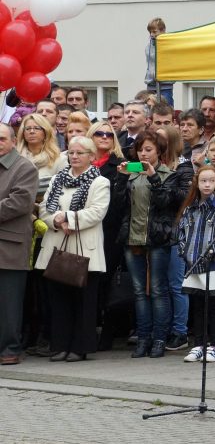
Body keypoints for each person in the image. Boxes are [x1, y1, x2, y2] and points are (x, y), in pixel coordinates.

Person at [36, 135, 110, 362]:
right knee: (58, 300)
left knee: (84, 301)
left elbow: (97, 211)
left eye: (80, 153)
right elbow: (44, 209)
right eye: (71, 153)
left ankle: (80, 346)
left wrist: (69, 217)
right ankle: (59, 345)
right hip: (57, 244)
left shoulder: (100, 182)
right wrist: (57, 221)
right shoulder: (58, 178)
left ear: (91, 156)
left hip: (84, 248)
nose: (75, 156)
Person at [119, 131, 190, 359]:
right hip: (133, 237)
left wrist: (153, 178)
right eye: (140, 150)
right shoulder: (132, 174)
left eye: (148, 149)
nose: (143, 154)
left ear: (159, 151)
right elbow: (119, 203)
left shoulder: (169, 175)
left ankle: (160, 338)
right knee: (140, 291)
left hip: (158, 238)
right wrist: (121, 177)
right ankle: (143, 338)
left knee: (159, 290)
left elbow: (166, 203)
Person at [176, 166, 215, 364]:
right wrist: (184, 251)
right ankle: (198, 344)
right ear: (197, 182)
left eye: (211, 181)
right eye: (203, 180)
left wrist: (213, 252)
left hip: (214, 265)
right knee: (198, 305)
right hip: (193, 264)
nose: (207, 184)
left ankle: (213, 345)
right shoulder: (190, 209)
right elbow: (181, 233)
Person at [0, 123, 40, 365]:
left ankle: (10, 349)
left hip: (9, 246)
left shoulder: (24, 167)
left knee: (9, 304)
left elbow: (21, 203)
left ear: (14, 141)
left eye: (2, 139)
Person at [87, 120, 128, 350]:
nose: (104, 137)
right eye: (99, 134)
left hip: (110, 231)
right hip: (84, 231)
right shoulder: (81, 162)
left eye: (109, 134)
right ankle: (88, 328)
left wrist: (123, 176)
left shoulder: (122, 164)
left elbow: (142, 169)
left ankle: (109, 333)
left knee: (108, 283)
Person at [154, 124, 194, 351]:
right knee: (159, 286)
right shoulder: (154, 166)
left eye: (160, 139)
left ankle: (180, 331)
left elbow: (183, 198)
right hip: (158, 232)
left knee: (177, 285)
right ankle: (163, 329)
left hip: (178, 233)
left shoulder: (184, 167)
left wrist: (157, 182)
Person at [16, 113, 62, 198]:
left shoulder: (59, 159)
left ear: (46, 132)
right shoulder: (15, 159)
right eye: (28, 129)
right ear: (23, 133)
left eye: (37, 128)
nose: (32, 131)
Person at [145, 18, 173, 107]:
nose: (152, 35)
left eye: (154, 32)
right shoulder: (150, 45)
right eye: (150, 32)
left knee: (166, 106)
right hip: (151, 82)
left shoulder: (168, 44)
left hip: (165, 83)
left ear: (163, 31)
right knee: (150, 106)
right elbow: (151, 58)